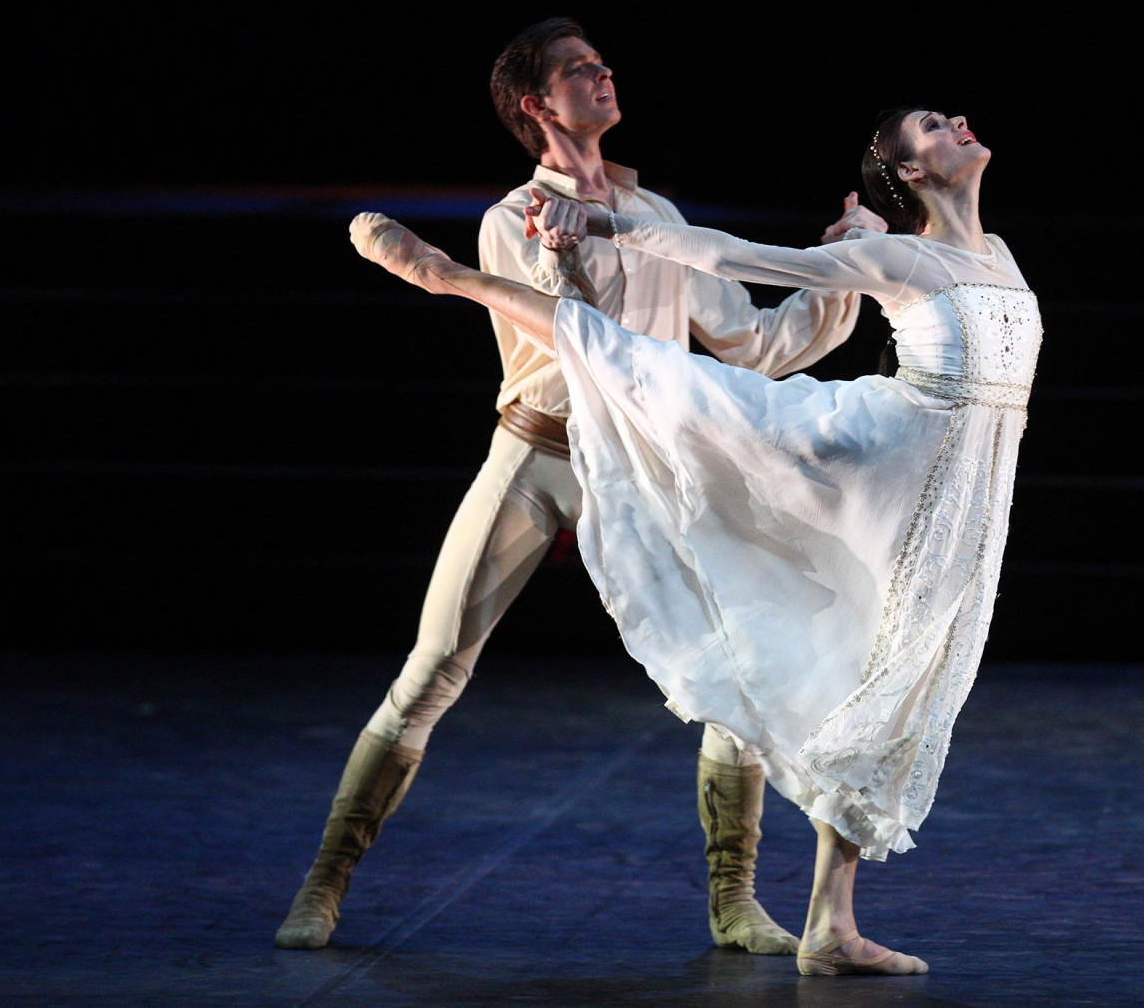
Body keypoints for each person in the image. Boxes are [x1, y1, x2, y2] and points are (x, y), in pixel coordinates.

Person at [346, 105, 1039, 976]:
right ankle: (449, 275)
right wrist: (606, 225)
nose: (960, 122)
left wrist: (857, 238)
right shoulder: (903, 258)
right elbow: (735, 258)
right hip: (872, 458)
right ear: (914, 171)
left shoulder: (997, 253)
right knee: (648, 372)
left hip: (960, 496)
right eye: (936, 125)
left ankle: (830, 925)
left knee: (893, 684)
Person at [275, 17, 876, 954]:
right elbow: (581, 343)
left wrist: (842, 272)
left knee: (736, 675)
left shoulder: (657, 216)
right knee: (434, 667)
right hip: (539, 455)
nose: (603, 74)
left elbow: (757, 342)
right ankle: (325, 882)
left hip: (642, 468)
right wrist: (549, 259)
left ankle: (733, 899)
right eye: (580, 70)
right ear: (538, 104)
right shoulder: (511, 217)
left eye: (600, 64)